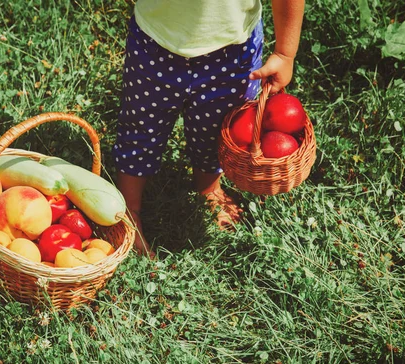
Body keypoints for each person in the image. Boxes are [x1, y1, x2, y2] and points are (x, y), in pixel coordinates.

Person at [112, 0, 305, 257]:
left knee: (218, 130)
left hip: (233, 51)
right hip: (156, 42)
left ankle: (209, 187)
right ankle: (129, 210)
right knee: (140, 130)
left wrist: (285, 53)